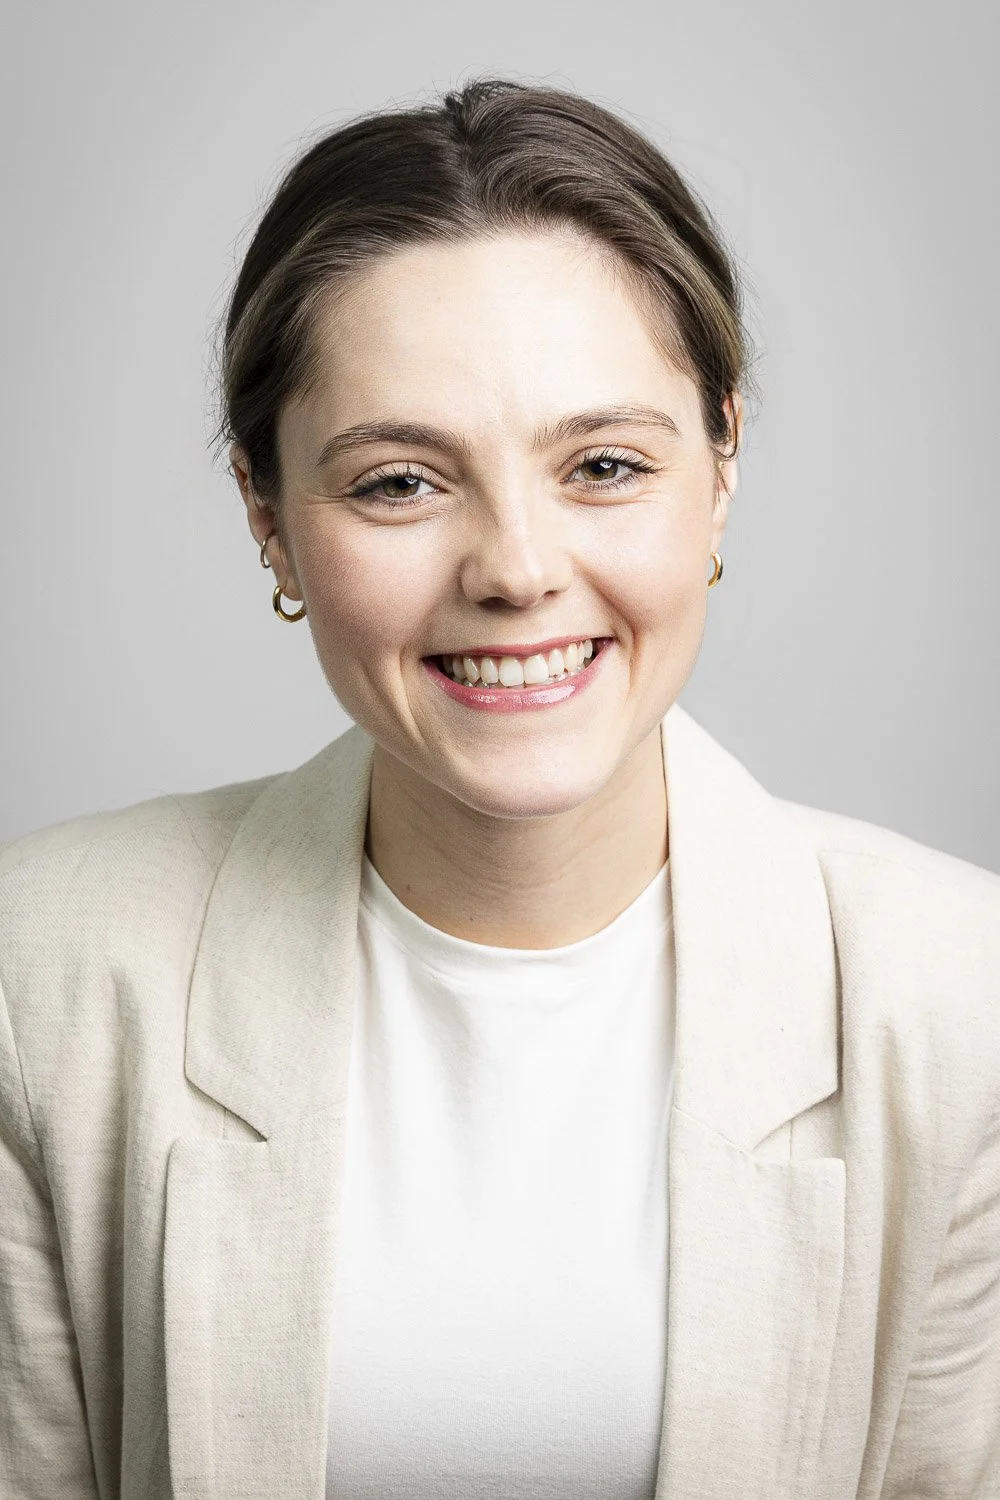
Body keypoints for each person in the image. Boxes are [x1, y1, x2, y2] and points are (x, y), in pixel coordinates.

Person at [1, 76, 997, 1500]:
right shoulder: (38, 980)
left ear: (719, 469)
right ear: (267, 519)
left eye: (602, 464)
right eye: (402, 483)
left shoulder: (963, 1003)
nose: (517, 569)